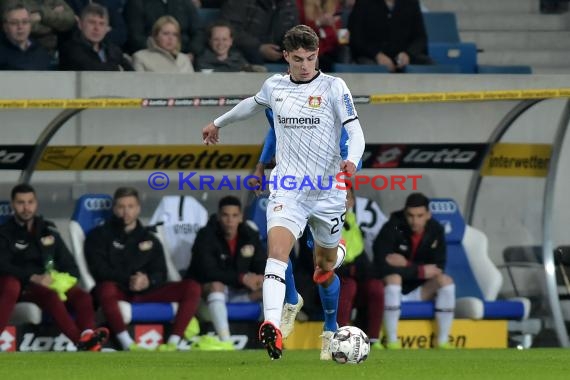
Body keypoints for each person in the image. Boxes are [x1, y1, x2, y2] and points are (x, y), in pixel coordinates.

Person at [202, 24, 365, 360]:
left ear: (317, 54)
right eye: (298, 59)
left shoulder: (334, 87)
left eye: (310, 57)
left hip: (327, 190)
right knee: (276, 252)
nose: (305, 65)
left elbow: (356, 130)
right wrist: (218, 123)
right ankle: (273, 327)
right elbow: (250, 104)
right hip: (288, 188)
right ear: (286, 57)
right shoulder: (274, 87)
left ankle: (331, 326)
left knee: (324, 267)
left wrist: (351, 161)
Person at [84, 186, 202, 351]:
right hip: (120, 290)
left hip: (148, 291)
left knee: (192, 287)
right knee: (105, 288)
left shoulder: (150, 238)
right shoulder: (98, 236)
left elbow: (161, 272)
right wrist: (129, 279)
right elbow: (99, 270)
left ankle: (173, 343)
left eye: (130, 206)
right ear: (114, 209)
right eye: (121, 207)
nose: (126, 212)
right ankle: (127, 344)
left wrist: (148, 280)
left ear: (138, 208)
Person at [0, 184, 109, 351]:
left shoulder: (48, 229)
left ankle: (88, 335)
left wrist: (61, 280)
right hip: (24, 286)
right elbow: (3, 265)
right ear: (13, 205)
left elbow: (70, 265)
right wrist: (33, 277)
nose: (26, 207)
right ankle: (79, 342)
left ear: (36, 203)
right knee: (49, 296)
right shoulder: (5, 232)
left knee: (83, 297)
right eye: (20, 203)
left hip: (51, 282)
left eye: (30, 202)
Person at [373, 192, 455, 349]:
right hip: (392, 290)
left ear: (428, 215)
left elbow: (438, 267)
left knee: (446, 281)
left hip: (419, 290)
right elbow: (380, 266)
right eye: (410, 215)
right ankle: (391, 341)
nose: (414, 221)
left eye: (420, 216)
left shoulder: (436, 230)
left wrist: (408, 265)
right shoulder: (392, 227)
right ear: (405, 214)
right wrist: (420, 270)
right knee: (394, 278)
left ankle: (443, 341)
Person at [186, 196, 265, 350]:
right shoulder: (206, 236)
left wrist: (260, 277)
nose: (230, 220)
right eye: (225, 215)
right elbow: (207, 272)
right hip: (207, 296)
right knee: (216, 286)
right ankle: (226, 341)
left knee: (272, 288)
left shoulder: (249, 235)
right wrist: (242, 278)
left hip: (240, 292)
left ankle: (270, 340)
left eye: (234, 216)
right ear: (218, 216)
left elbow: (261, 262)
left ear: (241, 217)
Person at [336, 186, 384, 347]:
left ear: (352, 201)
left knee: (375, 286)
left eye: (347, 197)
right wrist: (349, 270)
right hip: (329, 277)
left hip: (352, 274)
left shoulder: (352, 223)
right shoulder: (318, 221)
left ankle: (374, 340)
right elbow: (313, 261)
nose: (343, 202)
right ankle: (342, 339)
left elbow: (360, 256)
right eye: (338, 196)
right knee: (348, 285)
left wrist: (359, 271)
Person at [348, 0, 432, 72]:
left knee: (428, 65)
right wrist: (377, 55)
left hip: (403, 55)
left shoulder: (411, 3)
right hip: (371, 56)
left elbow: (421, 38)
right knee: (370, 67)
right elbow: (355, 37)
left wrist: (408, 54)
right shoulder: (364, 3)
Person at [219, 0, 299, 65]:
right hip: (244, 58)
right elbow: (230, 30)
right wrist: (258, 48)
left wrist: (287, 49)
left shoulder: (289, 4)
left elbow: (294, 32)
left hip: (283, 59)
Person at [58, 3, 133, 70]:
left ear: (107, 28)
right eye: (92, 22)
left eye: (102, 24)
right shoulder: (70, 49)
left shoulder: (114, 50)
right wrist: (116, 68)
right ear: (80, 24)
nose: (97, 28)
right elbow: (92, 70)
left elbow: (132, 75)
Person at [123, 0, 204, 60]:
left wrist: (192, 52)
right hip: (150, 55)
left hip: (183, 54)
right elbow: (135, 36)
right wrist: (158, 52)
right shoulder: (136, 3)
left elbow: (198, 32)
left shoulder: (186, 3)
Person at [196, 20, 265, 73]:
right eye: (216, 39)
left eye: (225, 39)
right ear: (210, 41)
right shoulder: (202, 61)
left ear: (231, 41)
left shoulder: (239, 59)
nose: (220, 43)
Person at [0, 3, 51, 70]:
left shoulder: (40, 52)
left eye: (25, 22)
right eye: (14, 23)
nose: (20, 27)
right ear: (5, 27)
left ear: (30, 25)